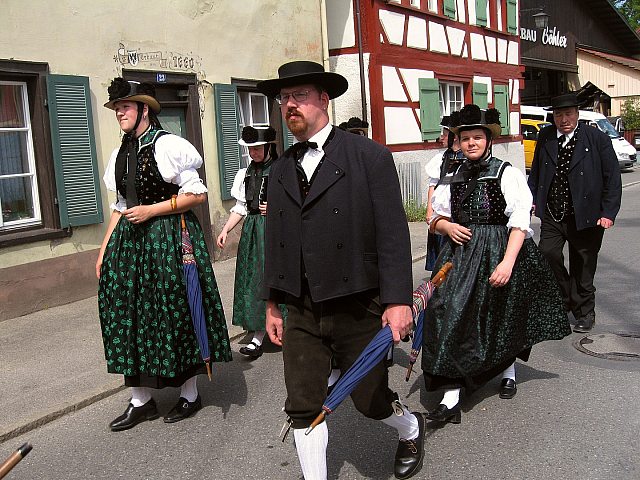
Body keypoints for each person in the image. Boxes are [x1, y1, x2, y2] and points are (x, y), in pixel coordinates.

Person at [257, 60, 425, 480]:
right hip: (302, 307)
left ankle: (410, 427)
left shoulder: (369, 157)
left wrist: (399, 301)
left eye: (299, 96)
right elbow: (276, 241)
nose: (289, 106)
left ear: (323, 100)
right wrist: (273, 303)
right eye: (283, 99)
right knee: (302, 404)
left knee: (370, 400)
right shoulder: (279, 168)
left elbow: (391, 233)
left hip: (358, 304)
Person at [97, 78, 232, 432]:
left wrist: (152, 211)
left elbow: (196, 195)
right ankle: (141, 401)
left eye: (125, 107)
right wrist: (104, 250)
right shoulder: (120, 153)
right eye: (117, 108)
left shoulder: (168, 145)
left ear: (144, 109)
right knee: (130, 316)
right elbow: (120, 206)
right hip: (130, 244)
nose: (120, 113)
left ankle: (190, 394)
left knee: (175, 312)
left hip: (169, 239)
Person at [422, 104, 571, 424]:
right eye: (465, 138)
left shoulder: (506, 172)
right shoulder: (453, 175)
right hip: (459, 255)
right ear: (458, 142)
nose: (471, 143)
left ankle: (507, 370)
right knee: (445, 311)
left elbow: (520, 222)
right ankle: (451, 394)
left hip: (498, 250)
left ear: (488, 140)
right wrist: (446, 227)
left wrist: (507, 263)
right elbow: (434, 217)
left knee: (500, 314)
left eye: (478, 137)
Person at [528, 92, 622, 333]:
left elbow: (612, 176)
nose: (563, 119)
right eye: (559, 115)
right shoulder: (546, 136)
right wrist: (532, 199)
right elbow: (537, 171)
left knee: (583, 264)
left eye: (568, 114)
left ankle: (584, 311)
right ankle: (566, 295)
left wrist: (608, 212)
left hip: (587, 214)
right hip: (553, 212)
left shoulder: (596, 138)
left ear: (577, 114)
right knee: (547, 254)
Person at [217, 125, 280, 359]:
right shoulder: (244, 174)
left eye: (257, 148)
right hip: (253, 232)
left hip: (276, 232)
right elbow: (241, 207)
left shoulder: (281, 171)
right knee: (252, 279)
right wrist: (225, 230)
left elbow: (298, 204)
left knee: (274, 278)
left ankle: (286, 327)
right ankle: (257, 335)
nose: (253, 153)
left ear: (268, 147)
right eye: (250, 149)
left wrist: (275, 209)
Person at [424, 112, 464, 271]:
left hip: (457, 211)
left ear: (454, 136)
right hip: (441, 212)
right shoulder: (441, 158)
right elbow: (433, 184)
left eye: (445, 133)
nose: (441, 136)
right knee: (440, 251)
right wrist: (429, 210)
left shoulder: (467, 157)